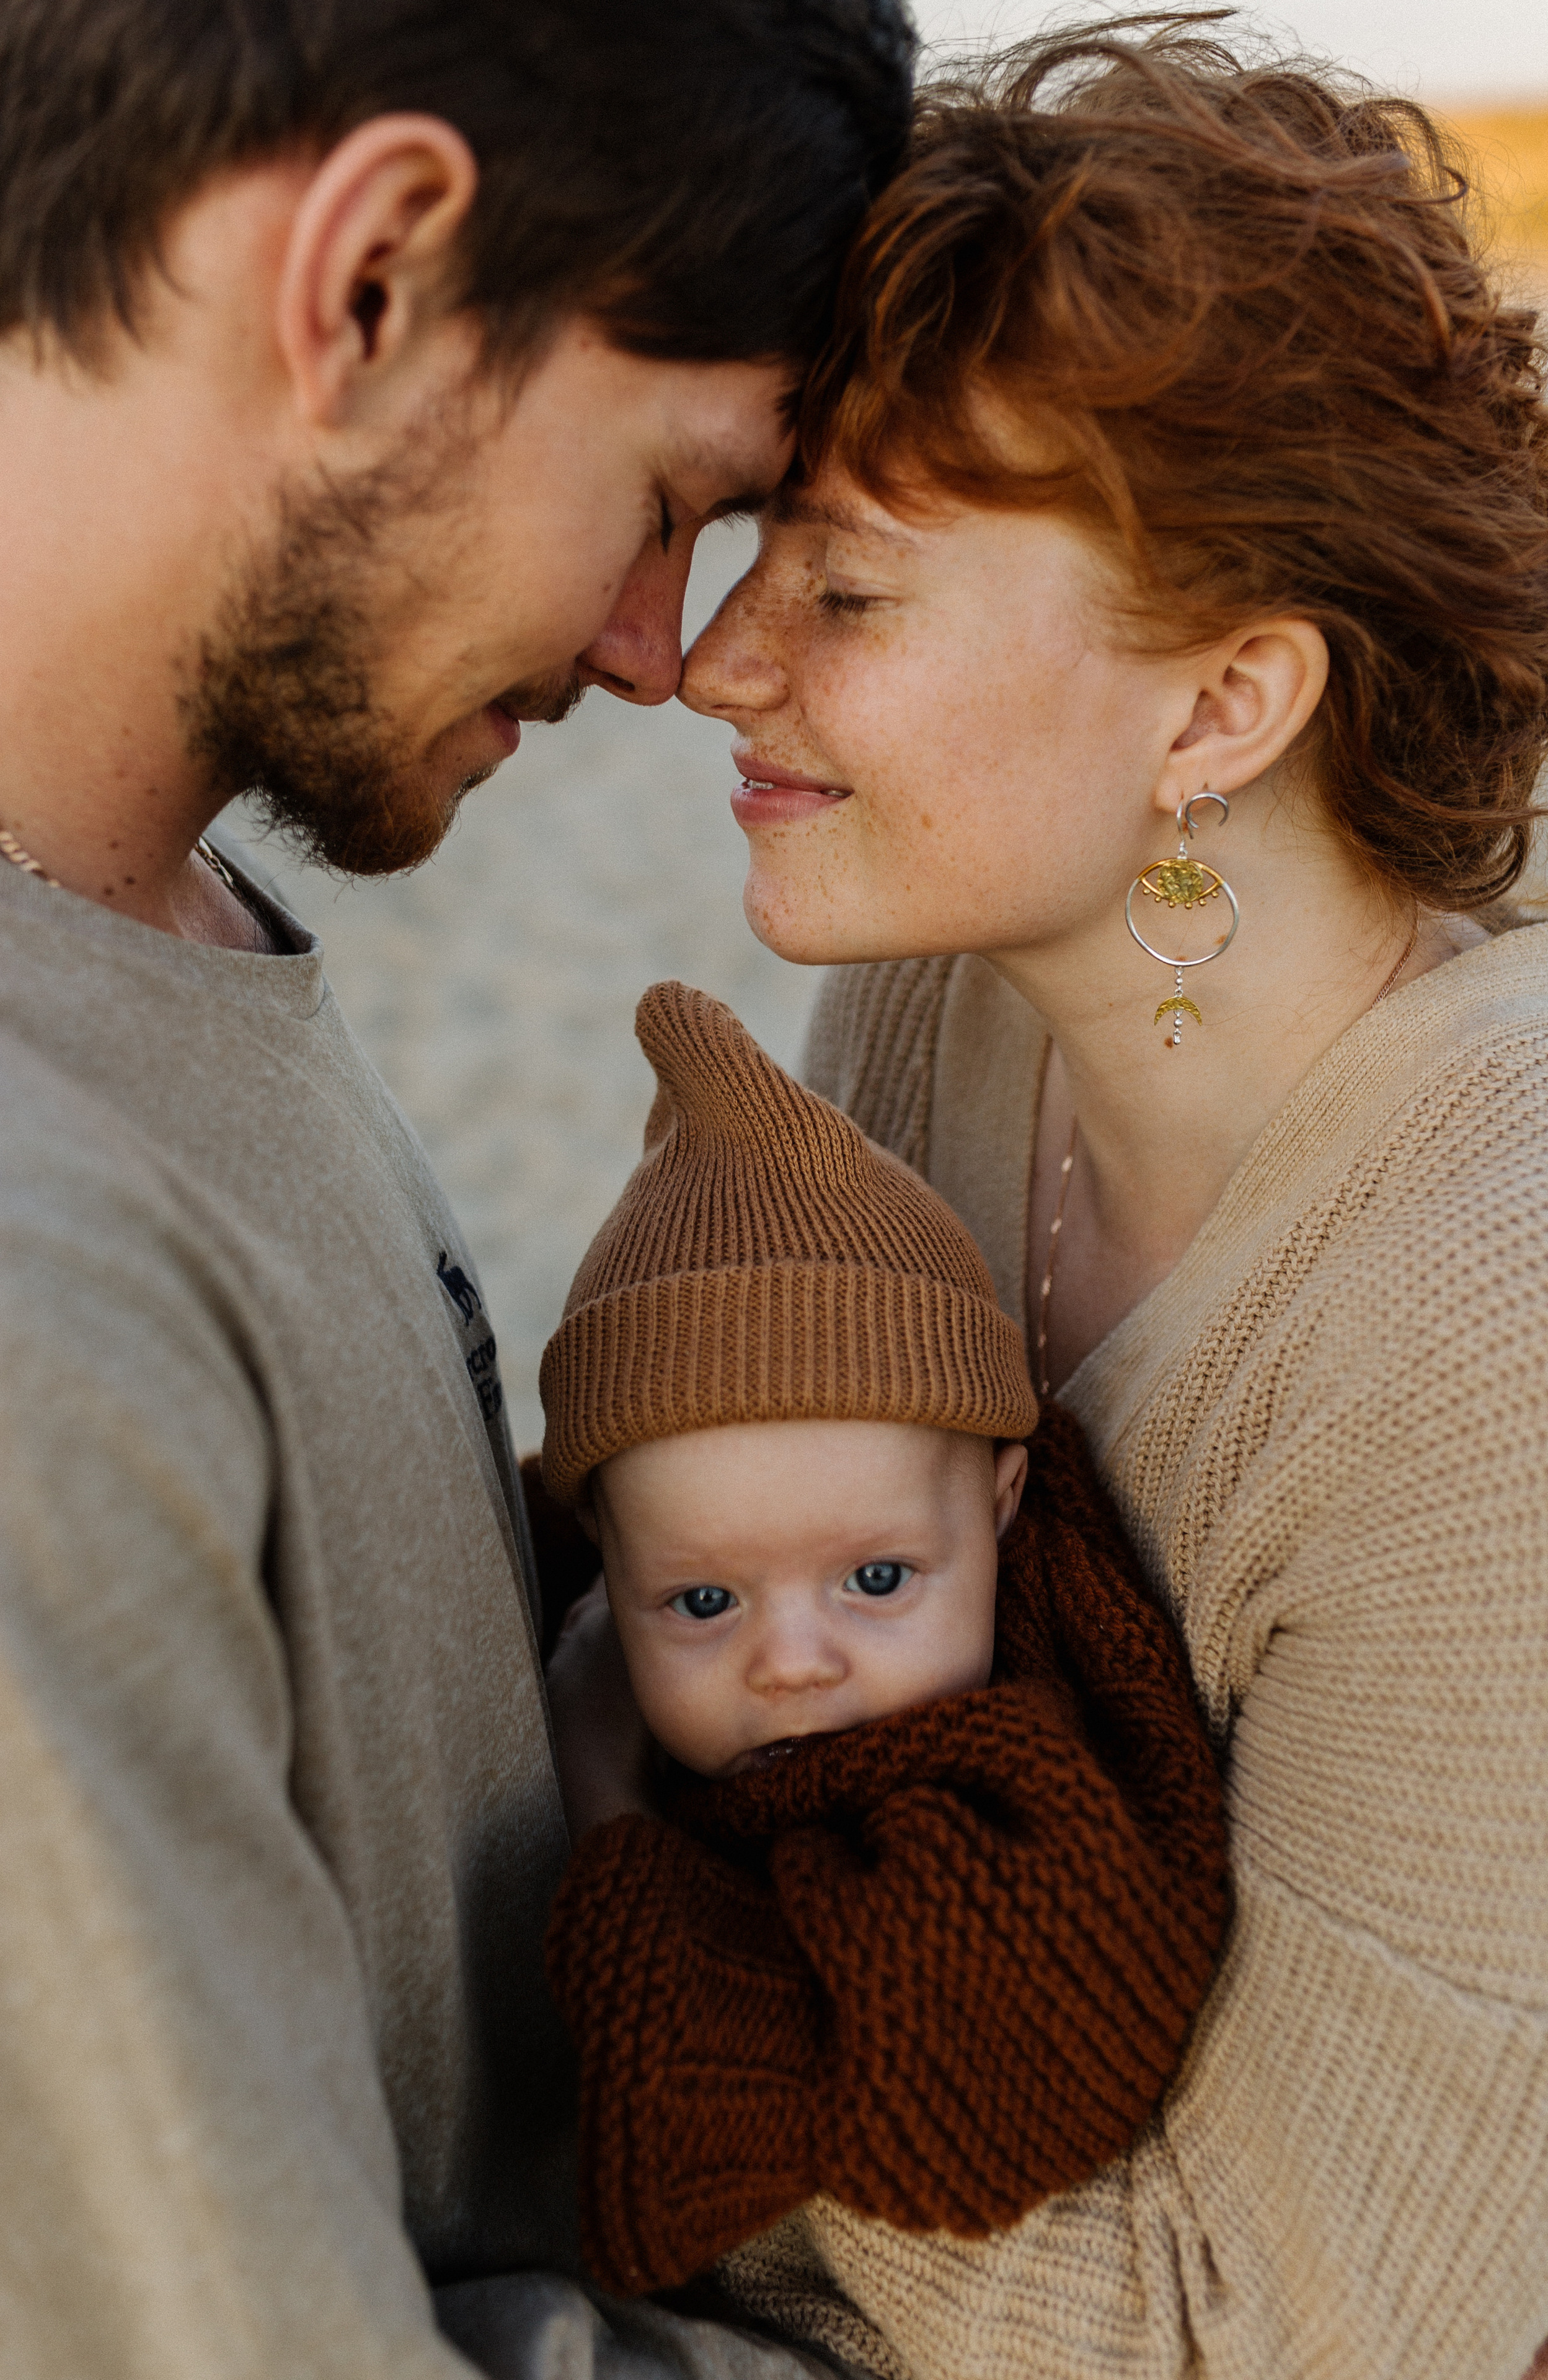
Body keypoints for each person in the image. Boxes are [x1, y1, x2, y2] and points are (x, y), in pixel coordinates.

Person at [0, 4, 915, 2376]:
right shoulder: (31, 1264)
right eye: (666, 499)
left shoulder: (150, 943)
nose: (669, 655)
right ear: (376, 272)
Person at [671, 19, 1548, 2379]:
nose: (714, 667)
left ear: (1219, 710)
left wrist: (714, 2063)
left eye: (847, 597)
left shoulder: (1510, 1310)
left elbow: (1253, 2337)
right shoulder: (946, 1007)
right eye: (752, 551)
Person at [532, 979, 1227, 2299]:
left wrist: (602, 1799)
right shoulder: (640, 1602)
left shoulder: (1013, 1792)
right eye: (699, 1603)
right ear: (604, 1573)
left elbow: (992, 2120)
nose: (791, 1661)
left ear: (1004, 1504)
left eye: (874, 1577)